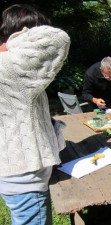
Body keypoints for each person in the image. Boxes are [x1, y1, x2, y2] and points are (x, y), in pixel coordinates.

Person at [0, 4, 70, 225]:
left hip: (15, 175)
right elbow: (58, 38)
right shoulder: (10, 66)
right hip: (26, 180)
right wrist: (14, 40)